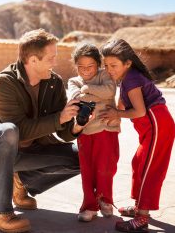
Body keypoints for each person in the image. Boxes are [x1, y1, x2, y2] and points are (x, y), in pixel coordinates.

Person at [0, 29, 85, 233]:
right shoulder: (4, 82)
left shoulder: (54, 83)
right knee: (8, 131)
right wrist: (59, 118)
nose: (55, 62)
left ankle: (20, 182)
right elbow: (19, 130)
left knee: (83, 159)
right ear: (33, 60)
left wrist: (76, 123)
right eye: (51, 58)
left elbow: (64, 132)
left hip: (32, 151)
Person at [99, 39, 175, 233]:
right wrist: (114, 113)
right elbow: (122, 104)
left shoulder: (131, 78)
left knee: (150, 169)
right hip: (150, 128)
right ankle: (138, 206)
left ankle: (142, 217)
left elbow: (140, 111)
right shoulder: (126, 78)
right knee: (139, 162)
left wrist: (116, 114)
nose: (109, 69)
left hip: (157, 124)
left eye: (114, 65)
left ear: (128, 63)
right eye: (106, 65)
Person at [67, 43, 120, 222]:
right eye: (81, 67)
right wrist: (98, 96)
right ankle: (90, 205)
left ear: (98, 64)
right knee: (87, 170)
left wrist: (87, 89)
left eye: (90, 66)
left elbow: (110, 91)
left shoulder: (105, 75)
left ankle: (105, 200)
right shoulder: (73, 81)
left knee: (106, 167)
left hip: (106, 128)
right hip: (85, 131)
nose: (86, 71)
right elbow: (75, 98)